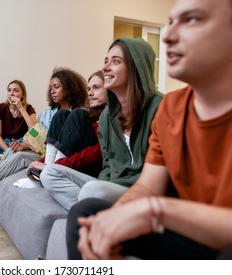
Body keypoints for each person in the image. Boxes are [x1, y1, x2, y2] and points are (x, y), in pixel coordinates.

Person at [67, 0, 232, 260]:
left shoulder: (157, 105)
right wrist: (112, 221)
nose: (169, 36)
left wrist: (157, 210)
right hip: (189, 234)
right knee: (87, 214)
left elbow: (155, 200)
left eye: (191, 19)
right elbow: (146, 188)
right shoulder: (173, 109)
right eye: (172, 22)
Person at [0, 67, 101, 211]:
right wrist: (21, 145)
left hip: (50, 155)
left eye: (57, 87)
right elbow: (34, 137)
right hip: (35, 150)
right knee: (3, 149)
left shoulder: (79, 115)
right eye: (51, 87)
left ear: (69, 88)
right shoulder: (46, 113)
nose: (52, 91)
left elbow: (35, 130)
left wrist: (21, 110)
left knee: (15, 154)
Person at [40, 38, 163, 211]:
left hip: (142, 190)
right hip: (111, 185)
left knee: (92, 190)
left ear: (137, 67)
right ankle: (94, 212)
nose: (105, 68)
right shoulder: (107, 117)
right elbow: (107, 165)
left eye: (116, 61)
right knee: (49, 173)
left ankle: (91, 211)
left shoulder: (160, 108)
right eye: (106, 61)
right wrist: (104, 184)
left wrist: (100, 188)